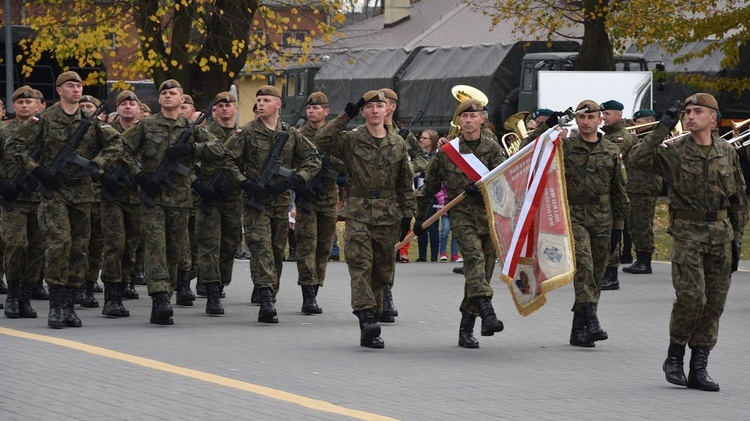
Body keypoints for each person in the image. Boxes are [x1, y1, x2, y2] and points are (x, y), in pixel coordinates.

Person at [630, 93, 747, 392]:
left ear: (713, 118)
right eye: (686, 112)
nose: (690, 116)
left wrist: (737, 238)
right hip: (687, 233)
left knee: (714, 304)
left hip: (721, 235)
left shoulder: (726, 151)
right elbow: (637, 159)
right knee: (692, 298)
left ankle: (699, 366)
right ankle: (674, 356)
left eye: (697, 111)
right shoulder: (674, 151)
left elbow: (738, 198)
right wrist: (661, 129)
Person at [6, 71, 125, 328]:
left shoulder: (91, 120)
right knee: (60, 244)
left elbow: (117, 143)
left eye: (79, 85)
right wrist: (36, 170)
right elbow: (15, 144)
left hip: (83, 193)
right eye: (70, 85)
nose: (76, 89)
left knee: (79, 249)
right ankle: (56, 307)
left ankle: (70, 306)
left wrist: (97, 164)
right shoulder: (44, 119)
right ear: (59, 90)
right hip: (54, 193)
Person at [523, 100, 628, 348]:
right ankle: (591, 318)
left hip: (603, 218)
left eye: (591, 117)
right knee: (585, 266)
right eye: (581, 118)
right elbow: (529, 148)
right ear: (577, 121)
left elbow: (619, 190)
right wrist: (547, 126)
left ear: (600, 119)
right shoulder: (565, 147)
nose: (586, 122)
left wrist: (619, 227)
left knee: (598, 272)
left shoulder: (611, 150)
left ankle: (578, 329)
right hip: (574, 217)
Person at [315, 90, 415, 348]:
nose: (374, 110)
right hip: (358, 212)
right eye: (368, 107)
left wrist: (407, 214)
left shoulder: (398, 143)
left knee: (382, 272)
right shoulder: (351, 139)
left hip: (387, 214)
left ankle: (372, 319)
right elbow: (322, 139)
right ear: (363, 111)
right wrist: (346, 114)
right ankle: (366, 318)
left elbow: (405, 182)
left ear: (387, 111)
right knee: (360, 266)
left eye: (379, 106)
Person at [122, 79, 224, 325]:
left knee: (173, 249)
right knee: (156, 246)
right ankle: (159, 298)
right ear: (159, 100)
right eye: (164, 93)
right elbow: (122, 148)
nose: (168, 96)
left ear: (182, 99)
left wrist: (192, 149)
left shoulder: (191, 128)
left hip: (180, 199)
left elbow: (219, 149)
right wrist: (139, 175)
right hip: (153, 198)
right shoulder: (146, 125)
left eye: (173, 93)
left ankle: (165, 297)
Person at [222, 85, 321, 324]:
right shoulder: (246, 132)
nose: (261, 104)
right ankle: (266, 298)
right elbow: (226, 160)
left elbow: (313, 158)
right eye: (259, 100)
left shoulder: (291, 134)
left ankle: (270, 291)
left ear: (278, 104)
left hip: (281, 201)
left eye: (267, 99)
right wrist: (245, 183)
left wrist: (297, 178)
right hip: (256, 201)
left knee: (277, 251)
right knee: (260, 248)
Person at [413, 98, 506, 349]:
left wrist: (485, 188)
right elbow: (429, 186)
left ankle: (467, 328)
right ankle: (487, 309)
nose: (468, 121)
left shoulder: (493, 148)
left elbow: (503, 181)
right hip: (461, 213)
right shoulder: (448, 152)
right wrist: (419, 217)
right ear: (459, 121)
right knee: (474, 260)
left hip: (487, 214)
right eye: (464, 117)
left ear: (482, 119)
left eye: (473, 117)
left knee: (483, 271)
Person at [378, 88, 429, 321]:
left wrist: (406, 166)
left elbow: (423, 158)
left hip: (398, 202)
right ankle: (373, 295)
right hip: (370, 201)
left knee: (389, 250)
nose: (378, 107)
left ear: (392, 107)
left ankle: (386, 294)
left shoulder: (404, 135)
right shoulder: (367, 133)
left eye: (383, 103)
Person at [294, 91, 342, 314]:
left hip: (329, 196)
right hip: (307, 197)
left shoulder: (334, 135)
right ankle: (307, 294)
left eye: (316, 108)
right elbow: (289, 162)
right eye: (309, 108)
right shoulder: (298, 134)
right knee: (307, 245)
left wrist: (329, 161)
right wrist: (299, 184)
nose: (312, 111)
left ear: (326, 111)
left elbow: (345, 163)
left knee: (323, 247)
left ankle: (316, 286)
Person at [98, 90, 145, 318]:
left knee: (131, 245)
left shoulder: (145, 131)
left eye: (132, 103)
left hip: (135, 196)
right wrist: (102, 176)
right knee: (115, 244)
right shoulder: (105, 131)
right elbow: (92, 157)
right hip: (111, 197)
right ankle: (111, 296)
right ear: (118, 109)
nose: (128, 106)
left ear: (139, 108)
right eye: (123, 103)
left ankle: (126, 281)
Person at [1, 86, 45, 318]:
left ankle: (26, 298)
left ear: (38, 105)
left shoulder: (46, 131)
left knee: (37, 250)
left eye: (29, 102)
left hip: (40, 199)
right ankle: (13, 296)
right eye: (20, 102)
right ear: (14, 106)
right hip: (14, 199)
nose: (25, 106)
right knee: (17, 246)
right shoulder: (3, 130)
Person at [197, 91, 243, 315]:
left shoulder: (244, 134)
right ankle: (212, 291)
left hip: (233, 198)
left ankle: (221, 282)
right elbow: (193, 162)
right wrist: (199, 186)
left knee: (230, 244)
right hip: (210, 197)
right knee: (210, 245)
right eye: (220, 105)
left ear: (235, 108)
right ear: (215, 110)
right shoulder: (204, 133)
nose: (225, 108)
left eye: (229, 104)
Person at [599, 100, 635, 291]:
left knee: (614, 231)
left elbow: (606, 157)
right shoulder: (606, 136)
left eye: (607, 114)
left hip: (616, 192)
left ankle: (611, 275)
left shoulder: (621, 138)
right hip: (603, 190)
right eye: (602, 114)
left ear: (619, 116)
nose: (603, 118)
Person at [622, 109, 662, 275]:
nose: (635, 125)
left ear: (647, 121)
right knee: (634, 223)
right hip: (635, 186)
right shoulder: (640, 139)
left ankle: (645, 260)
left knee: (642, 224)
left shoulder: (652, 140)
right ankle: (640, 258)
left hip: (645, 187)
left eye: (638, 122)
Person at [415, 129, 440, 262]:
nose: (421, 140)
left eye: (425, 138)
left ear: (432, 141)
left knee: (432, 226)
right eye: (421, 138)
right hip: (419, 193)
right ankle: (422, 255)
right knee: (420, 224)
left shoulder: (436, 156)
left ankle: (434, 257)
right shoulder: (418, 156)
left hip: (432, 194)